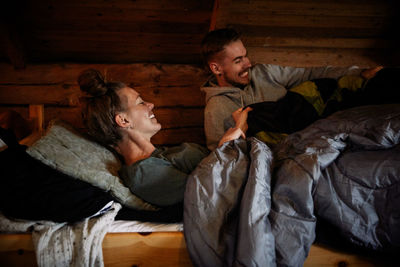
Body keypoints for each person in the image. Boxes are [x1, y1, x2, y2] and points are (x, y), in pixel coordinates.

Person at [77, 69, 252, 208]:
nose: (150, 105)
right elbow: (207, 195)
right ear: (123, 120)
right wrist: (233, 135)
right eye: (140, 102)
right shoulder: (142, 174)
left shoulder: (159, 155)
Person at [200, 28, 383, 150]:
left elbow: (311, 74)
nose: (248, 64)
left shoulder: (264, 72)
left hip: (316, 127)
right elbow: (219, 157)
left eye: (246, 56)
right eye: (238, 60)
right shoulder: (217, 107)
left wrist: (360, 72)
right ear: (216, 68)